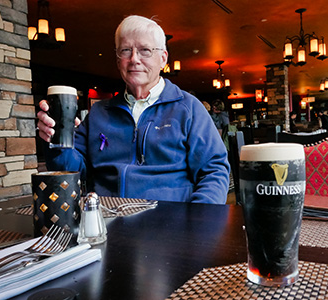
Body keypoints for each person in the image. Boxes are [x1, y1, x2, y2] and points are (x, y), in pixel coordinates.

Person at [37, 15, 230, 204]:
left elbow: (214, 171)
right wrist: (54, 142)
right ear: (117, 59)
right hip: (108, 220)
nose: (134, 59)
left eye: (145, 50)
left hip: (171, 223)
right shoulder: (99, 113)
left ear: (163, 59)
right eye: (126, 50)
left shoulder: (188, 108)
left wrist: (198, 220)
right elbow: (71, 171)